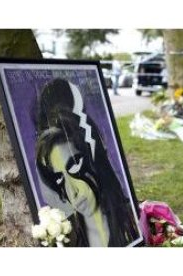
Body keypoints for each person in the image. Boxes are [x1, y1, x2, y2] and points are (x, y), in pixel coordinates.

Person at [36, 78, 140, 247]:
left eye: (75, 165)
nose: (72, 193)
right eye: (60, 178)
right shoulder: (66, 239)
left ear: (94, 159)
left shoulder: (132, 222)